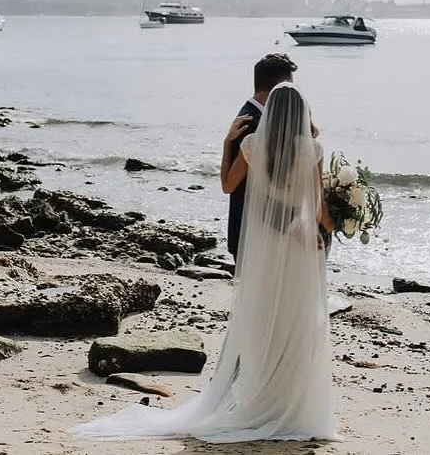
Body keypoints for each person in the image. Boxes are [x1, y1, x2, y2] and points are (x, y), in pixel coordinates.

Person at [73, 83, 339, 443]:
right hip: (297, 249)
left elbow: (229, 186)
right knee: (296, 324)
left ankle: (260, 398)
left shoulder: (252, 145)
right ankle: (288, 405)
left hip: (263, 247)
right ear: (302, 113)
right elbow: (318, 208)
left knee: (263, 322)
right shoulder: (313, 150)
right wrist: (338, 223)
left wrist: (228, 142)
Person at [219, 53, 298, 264]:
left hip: (259, 230)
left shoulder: (259, 118)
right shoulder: (250, 123)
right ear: (279, 88)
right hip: (252, 230)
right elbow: (232, 185)